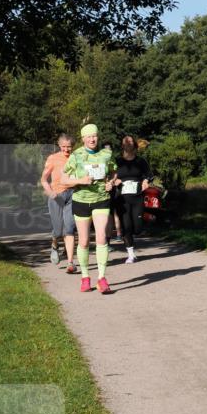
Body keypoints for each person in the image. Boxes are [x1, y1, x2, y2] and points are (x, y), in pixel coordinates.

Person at [60, 123, 117, 293]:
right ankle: (85, 277)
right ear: (83, 138)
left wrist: (111, 183)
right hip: (81, 200)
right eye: (89, 136)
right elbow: (63, 178)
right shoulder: (76, 155)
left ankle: (101, 278)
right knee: (84, 241)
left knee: (101, 237)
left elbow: (114, 172)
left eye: (95, 136)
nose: (92, 139)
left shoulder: (106, 154)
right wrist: (80, 181)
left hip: (101, 199)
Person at [112, 134, 153, 263]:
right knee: (126, 226)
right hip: (121, 198)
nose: (128, 143)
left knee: (137, 228)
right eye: (126, 141)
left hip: (137, 197)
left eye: (130, 141)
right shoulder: (117, 161)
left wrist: (146, 181)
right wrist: (115, 180)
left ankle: (144, 222)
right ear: (122, 145)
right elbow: (109, 176)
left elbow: (149, 175)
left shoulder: (140, 161)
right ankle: (131, 254)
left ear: (134, 145)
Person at [41, 133, 77, 273]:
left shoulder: (77, 158)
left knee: (69, 228)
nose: (66, 150)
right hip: (56, 196)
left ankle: (70, 263)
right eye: (63, 147)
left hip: (72, 195)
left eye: (69, 147)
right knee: (57, 230)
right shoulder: (53, 158)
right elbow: (43, 180)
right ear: (59, 145)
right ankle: (55, 245)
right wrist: (50, 192)